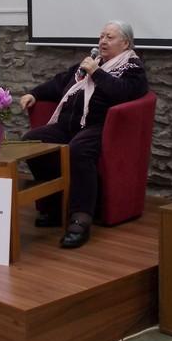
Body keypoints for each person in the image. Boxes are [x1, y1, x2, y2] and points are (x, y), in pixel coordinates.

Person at [19, 21, 148, 249]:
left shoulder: (132, 68)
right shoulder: (92, 62)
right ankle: (55, 207)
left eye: (109, 37)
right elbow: (60, 82)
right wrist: (34, 94)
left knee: (78, 151)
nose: (103, 41)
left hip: (101, 127)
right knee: (32, 142)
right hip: (68, 125)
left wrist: (96, 73)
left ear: (126, 43)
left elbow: (124, 94)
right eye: (101, 36)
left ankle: (80, 220)